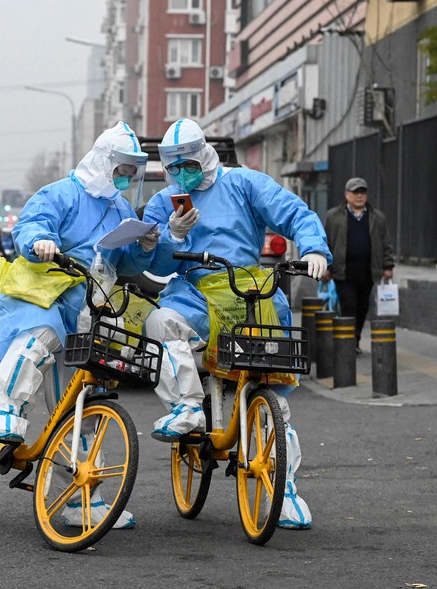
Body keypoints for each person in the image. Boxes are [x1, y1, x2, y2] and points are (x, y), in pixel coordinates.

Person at [141, 118, 330, 530]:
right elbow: (152, 264)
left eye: (188, 165)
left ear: (205, 154)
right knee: (161, 322)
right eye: (174, 168)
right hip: (194, 292)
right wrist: (172, 237)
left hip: (249, 292)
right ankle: (186, 408)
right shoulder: (165, 200)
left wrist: (314, 248)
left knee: (275, 404)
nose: (182, 175)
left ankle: (286, 492)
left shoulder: (244, 183)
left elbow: (293, 211)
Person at [0, 121, 156, 529]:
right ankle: (2, 411)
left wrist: (145, 247)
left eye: (132, 170)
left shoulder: (121, 208)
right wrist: (40, 241)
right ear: (104, 161)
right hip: (40, 292)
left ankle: (79, 498)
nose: (127, 177)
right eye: (122, 168)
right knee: (42, 337)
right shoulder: (61, 193)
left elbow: (123, 264)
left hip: (87, 307)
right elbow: (29, 227)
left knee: (76, 409)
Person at [320, 177, 394, 354]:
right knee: (348, 306)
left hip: (368, 271)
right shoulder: (333, 216)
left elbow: (386, 243)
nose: (359, 196)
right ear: (347, 194)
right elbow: (326, 242)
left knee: (363, 307)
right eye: (355, 192)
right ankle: (348, 342)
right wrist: (326, 267)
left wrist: (388, 265)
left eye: (362, 192)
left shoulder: (377, 217)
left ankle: (355, 338)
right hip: (343, 271)